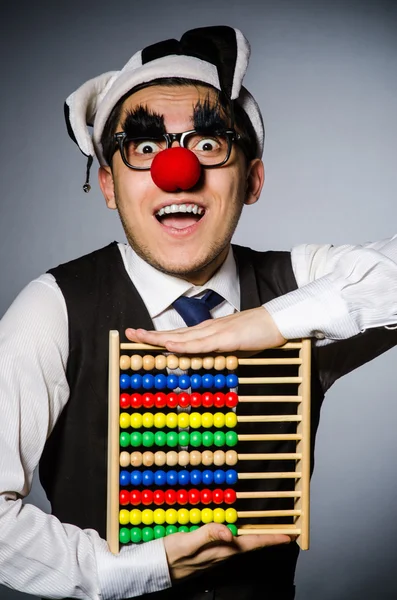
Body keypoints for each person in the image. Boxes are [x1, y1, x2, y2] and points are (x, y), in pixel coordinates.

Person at [0, 25, 396, 600]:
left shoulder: (300, 285)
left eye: (209, 144)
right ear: (109, 185)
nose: (177, 171)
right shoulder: (54, 308)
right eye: (145, 147)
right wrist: (126, 570)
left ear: (253, 179)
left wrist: (274, 321)